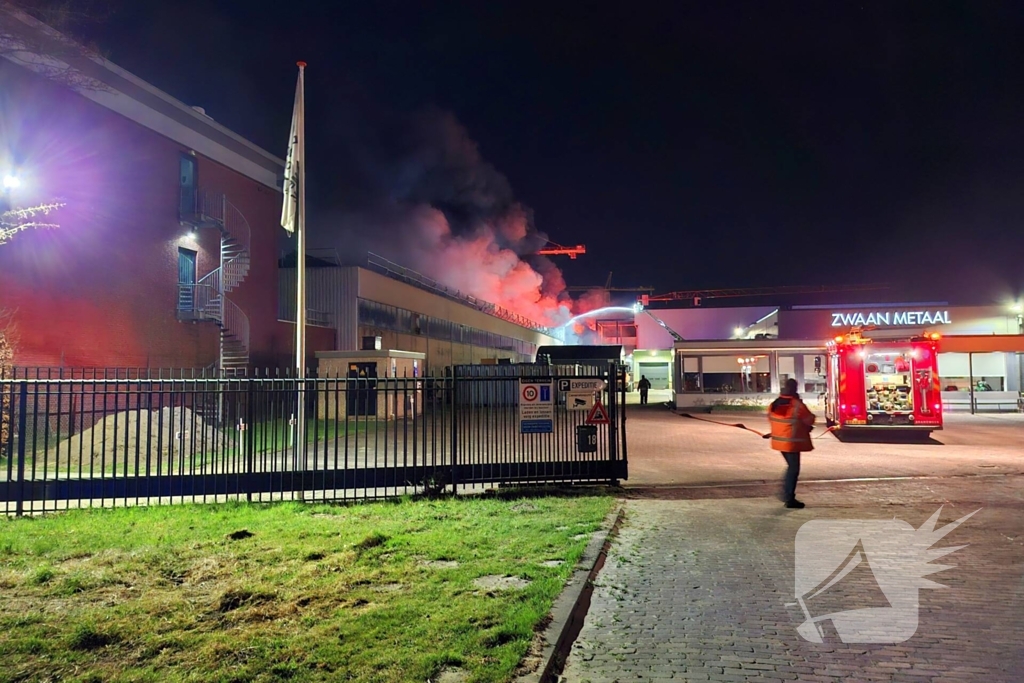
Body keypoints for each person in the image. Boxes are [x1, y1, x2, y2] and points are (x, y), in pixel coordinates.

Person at [768, 378, 815, 509]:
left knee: (791, 467)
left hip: (779, 441)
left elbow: (773, 419)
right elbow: (810, 419)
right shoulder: (797, 405)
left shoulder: (775, 403)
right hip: (792, 442)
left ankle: (786, 493)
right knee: (793, 469)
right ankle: (788, 497)